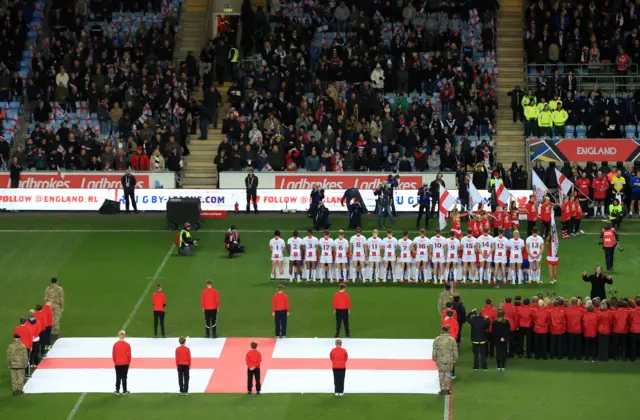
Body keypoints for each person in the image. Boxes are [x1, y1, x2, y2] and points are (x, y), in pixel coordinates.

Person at [432, 325, 458, 396]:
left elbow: (435, 350)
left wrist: (434, 358)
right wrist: (455, 359)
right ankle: (447, 390)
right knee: (448, 374)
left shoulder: (437, 339)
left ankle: (442, 389)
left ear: (442, 331)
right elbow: (455, 350)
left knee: (441, 374)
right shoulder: (452, 339)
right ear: (448, 331)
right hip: (449, 359)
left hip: (440, 359)